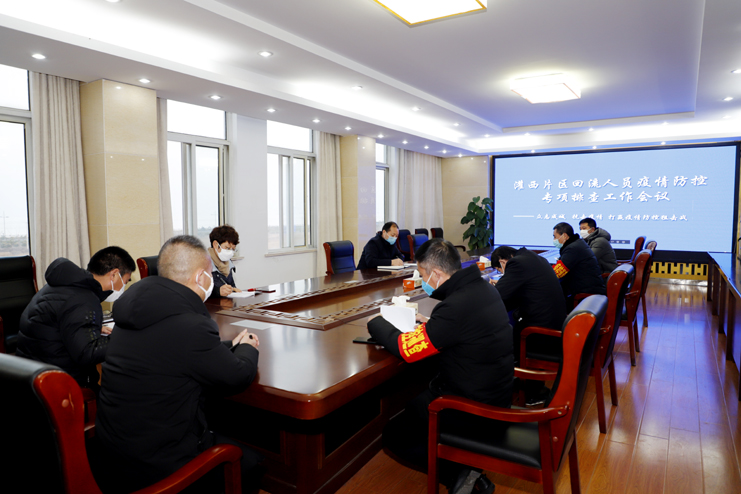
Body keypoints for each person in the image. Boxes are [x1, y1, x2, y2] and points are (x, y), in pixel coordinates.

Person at [95, 235, 263, 493]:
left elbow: (171, 352)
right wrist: (248, 347)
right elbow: (238, 376)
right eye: (209, 273)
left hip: (113, 457)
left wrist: (231, 345)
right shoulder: (190, 325)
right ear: (200, 277)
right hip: (159, 466)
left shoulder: (132, 314)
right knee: (252, 462)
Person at [367, 238, 511, 494]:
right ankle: (465, 468)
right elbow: (464, 328)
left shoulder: (456, 305)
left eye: (422, 275)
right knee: (416, 402)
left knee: (395, 434)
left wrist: (377, 322)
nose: (423, 280)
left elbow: (406, 350)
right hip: (497, 393)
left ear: (436, 274)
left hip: (471, 407)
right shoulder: (482, 288)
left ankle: (460, 475)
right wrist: (432, 324)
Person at [16, 246, 135, 391]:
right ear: (114, 275)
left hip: (32, 373)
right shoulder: (84, 299)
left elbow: (62, 325)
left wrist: (95, 329)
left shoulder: (61, 286)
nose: (123, 287)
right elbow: (87, 354)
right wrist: (123, 337)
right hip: (59, 384)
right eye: (126, 281)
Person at [490, 245, 567, 405]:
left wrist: (492, 288)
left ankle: (527, 391)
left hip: (540, 333)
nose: (502, 273)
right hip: (555, 324)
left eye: (499, 270)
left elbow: (499, 295)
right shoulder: (535, 258)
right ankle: (524, 383)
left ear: (503, 262)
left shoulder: (516, 263)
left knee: (501, 337)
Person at [552, 222, 606, 299]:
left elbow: (558, 273)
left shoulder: (572, 248)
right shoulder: (577, 243)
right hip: (590, 288)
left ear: (564, 236)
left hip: (587, 293)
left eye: (555, 237)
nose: (554, 240)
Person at [209, 224, 242, 297]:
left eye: (233, 249)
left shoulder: (228, 263)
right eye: (227, 248)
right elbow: (197, 291)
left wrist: (233, 289)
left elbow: (231, 286)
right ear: (215, 245)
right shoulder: (203, 263)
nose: (230, 252)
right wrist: (217, 291)